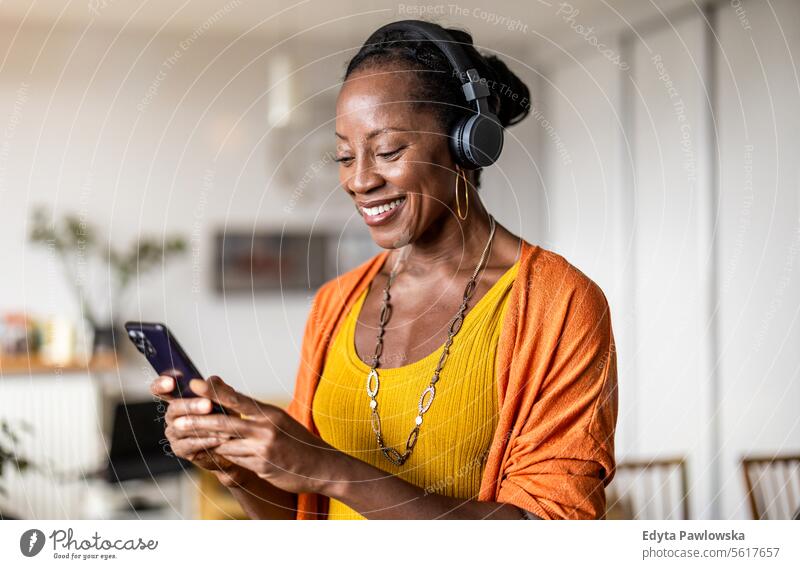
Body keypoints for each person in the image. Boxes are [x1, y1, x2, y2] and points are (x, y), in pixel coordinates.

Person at [151, 19, 618, 520]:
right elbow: (304, 517)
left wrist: (327, 465)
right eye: (345, 156)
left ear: (466, 144)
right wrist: (237, 464)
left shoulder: (559, 304)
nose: (359, 180)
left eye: (389, 151)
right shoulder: (336, 303)